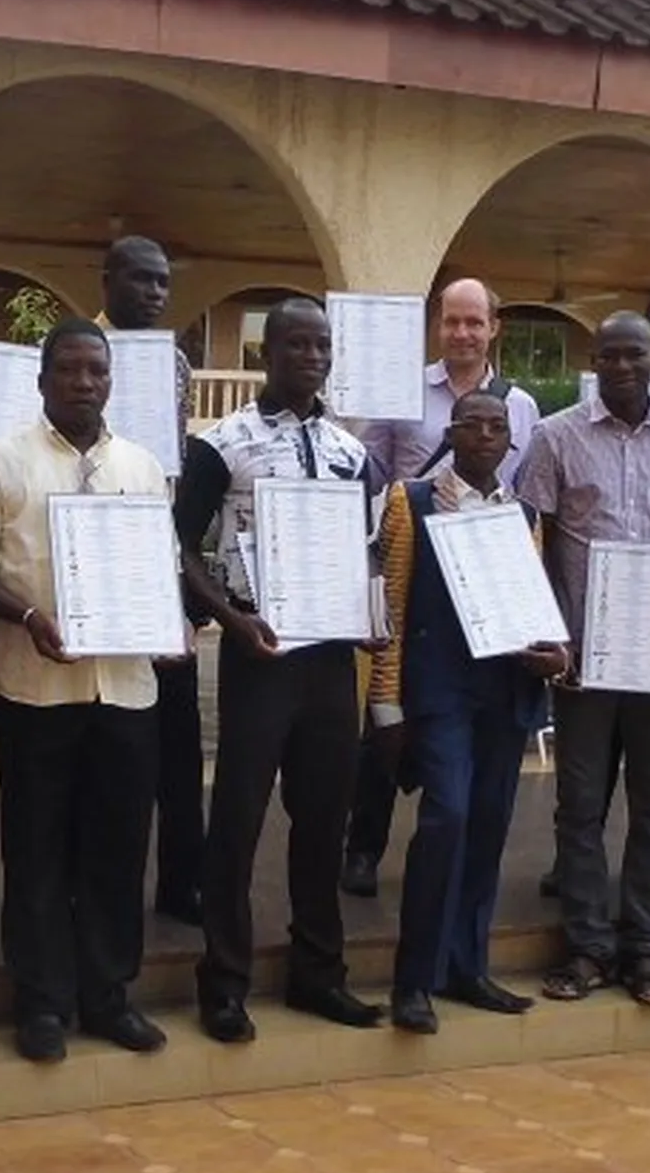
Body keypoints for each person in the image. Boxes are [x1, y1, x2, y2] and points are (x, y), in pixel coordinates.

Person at [0, 319, 174, 1061]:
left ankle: (109, 995)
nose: (83, 382)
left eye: (96, 372)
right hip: (35, 691)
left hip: (126, 693)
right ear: (42, 380)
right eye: (69, 370)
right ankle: (41, 1002)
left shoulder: (141, 466)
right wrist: (29, 614)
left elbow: (158, 567)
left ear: (111, 381)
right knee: (37, 851)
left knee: (116, 848)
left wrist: (164, 625)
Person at [177, 296, 384, 1042]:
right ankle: (224, 982)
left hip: (330, 656)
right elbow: (182, 548)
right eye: (295, 344)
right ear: (268, 354)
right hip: (258, 648)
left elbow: (365, 551)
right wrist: (232, 619)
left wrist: (370, 619)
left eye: (322, 345)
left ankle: (317, 973)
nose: (311, 356)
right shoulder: (221, 444)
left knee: (325, 817)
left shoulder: (350, 451)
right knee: (237, 816)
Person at [518, 311, 650, 1009]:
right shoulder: (555, 434)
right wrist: (552, 632)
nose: (622, 366)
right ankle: (588, 947)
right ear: (594, 360)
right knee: (578, 808)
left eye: (634, 354)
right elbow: (532, 539)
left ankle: (643, 949)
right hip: (585, 654)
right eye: (610, 355)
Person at [368, 391, 564, 1033]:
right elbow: (392, 608)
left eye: (497, 427)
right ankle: (414, 979)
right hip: (439, 692)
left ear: (512, 441)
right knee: (445, 818)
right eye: (471, 424)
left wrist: (552, 653)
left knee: (487, 827)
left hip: (503, 692)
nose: (485, 435)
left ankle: (468, 966)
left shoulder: (524, 514)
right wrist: (386, 705)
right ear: (450, 434)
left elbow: (532, 607)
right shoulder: (412, 501)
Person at [343, 278, 542, 900]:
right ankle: (363, 849)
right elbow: (370, 473)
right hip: (412, 566)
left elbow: (524, 494)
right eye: (451, 322)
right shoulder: (401, 394)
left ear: (493, 327)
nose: (461, 333)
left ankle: (446, 860)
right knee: (386, 716)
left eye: (473, 323)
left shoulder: (522, 406)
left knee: (464, 736)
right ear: (437, 326)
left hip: (487, 583)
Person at [99, 235, 205, 929]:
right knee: (116, 747)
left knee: (180, 739)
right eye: (141, 279)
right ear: (107, 280)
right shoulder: (78, 351)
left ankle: (182, 881)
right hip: (101, 566)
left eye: (164, 282)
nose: (156, 293)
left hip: (161, 565)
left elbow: (174, 473)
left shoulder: (174, 363)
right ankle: (109, 887)